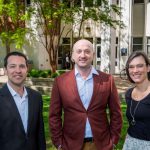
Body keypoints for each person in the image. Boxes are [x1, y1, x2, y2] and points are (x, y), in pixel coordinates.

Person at [49, 39, 122, 150]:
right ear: (73, 55)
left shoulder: (108, 80)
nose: (83, 55)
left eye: (87, 51)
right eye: (79, 51)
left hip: (101, 144)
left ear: (93, 55)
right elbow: (54, 115)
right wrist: (59, 143)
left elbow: (116, 113)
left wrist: (113, 140)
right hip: (70, 145)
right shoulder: (60, 81)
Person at [0, 51, 46, 150]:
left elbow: (40, 133)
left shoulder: (36, 97)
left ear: (27, 69)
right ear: (6, 70)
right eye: (12, 66)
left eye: (22, 66)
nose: (18, 70)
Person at [123, 51, 150, 150]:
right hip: (130, 143)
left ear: (148, 68)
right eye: (131, 67)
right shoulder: (129, 94)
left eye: (139, 66)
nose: (135, 70)